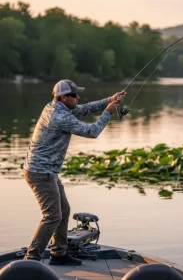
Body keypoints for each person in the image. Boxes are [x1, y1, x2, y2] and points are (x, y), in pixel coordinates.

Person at [23, 79, 126, 265]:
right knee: (52, 216)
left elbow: (83, 109)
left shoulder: (58, 107)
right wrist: (107, 113)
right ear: (63, 97)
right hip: (40, 173)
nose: (78, 97)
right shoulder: (58, 116)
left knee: (64, 210)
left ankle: (58, 254)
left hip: (48, 171)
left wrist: (109, 99)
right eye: (74, 95)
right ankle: (31, 261)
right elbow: (92, 131)